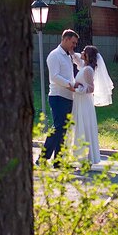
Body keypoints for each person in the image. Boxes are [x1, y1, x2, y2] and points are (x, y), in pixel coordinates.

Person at [39, 28, 79, 164]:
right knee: (58, 128)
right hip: (57, 97)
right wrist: (70, 85)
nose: (74, 46)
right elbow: (54, 77)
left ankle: (58, 161)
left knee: (63, 130)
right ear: (65, 39)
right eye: (73, 43)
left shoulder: (68, 56)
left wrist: (75, 85)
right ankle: (42, 158)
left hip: (68, 97)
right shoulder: (54, 55)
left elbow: (69, 76)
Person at [69, 45, 108, 165]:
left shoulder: (88, 70)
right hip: (80, 101)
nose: (81, 52)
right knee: (80, 126)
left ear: (87, 55)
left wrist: (75, 89)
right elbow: (77, 59)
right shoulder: (84, 67)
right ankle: (82, 157)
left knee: (83, 126)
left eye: (83, 52)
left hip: (84, 101)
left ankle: (85, 158)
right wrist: (71, 51)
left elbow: (91, 88)